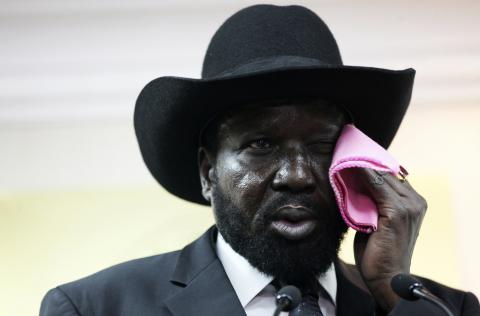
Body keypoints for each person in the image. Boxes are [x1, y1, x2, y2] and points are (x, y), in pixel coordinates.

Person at [40, 4, 479, 316]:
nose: (296, 176)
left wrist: (390, 291)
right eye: (260, 146)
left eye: (323, 146)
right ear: (207, 172)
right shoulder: (95, 307)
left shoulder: (444, 309)